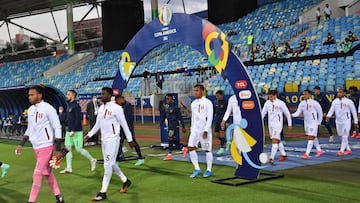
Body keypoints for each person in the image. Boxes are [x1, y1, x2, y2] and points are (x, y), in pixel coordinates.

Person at [15, 85, 65, 203]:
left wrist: (57, 149)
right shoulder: (31, 110)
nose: (29, 97)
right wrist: (21, 143)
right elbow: (30, 129)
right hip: (36, 147)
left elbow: (57, 127)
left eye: (32, 95)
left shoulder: (48, 109)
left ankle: (31, 201)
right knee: (47, 174)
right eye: (29, 95)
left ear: (39, 95)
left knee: (37, 174)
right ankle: (59, 198)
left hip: (46, 146)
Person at [84, 87, 134, 201]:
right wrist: (89, 135)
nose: (102, 96)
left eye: (104, 94)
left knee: (107, 165)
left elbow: (124, 124)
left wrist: (130, 139)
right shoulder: (101, 108)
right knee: (110, 163)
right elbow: (97, 124)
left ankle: (103, 192)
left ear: (110, 95)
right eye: (102, 94)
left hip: (113, 139)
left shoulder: (117, 108)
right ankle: (126, 181)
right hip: (104, 140)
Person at [60, 90, 97, 174]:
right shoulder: (68, 106)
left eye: (68, 94)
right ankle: (69, 168)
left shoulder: (76, 106)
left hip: (76, 131)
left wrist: (73, 130)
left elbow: (78, 119)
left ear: (73, 96)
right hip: (69, 131)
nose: (66, 95)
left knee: (79, 149)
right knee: (67, 149)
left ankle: (92, 160)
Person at [188, 84, 213, 178]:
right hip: (195, 130)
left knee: (207, 150)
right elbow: (193, 118)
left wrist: (206, 130)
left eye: (197, 90)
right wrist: (192, 129)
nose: (195, 92)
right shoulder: (193, 103)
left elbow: (210, 117)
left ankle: (209, 169)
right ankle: (197, 168)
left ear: (202, 91)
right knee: (190, 147)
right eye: (194, 90)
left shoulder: (208, 102)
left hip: (204, 130)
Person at [292, 90, 324, 160]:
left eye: (306, 94)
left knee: (310, 137)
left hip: (313, 123)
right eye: (303, 94)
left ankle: (306, 153)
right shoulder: (302, 103)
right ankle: (319, 150)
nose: (304, 96)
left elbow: (320, 112)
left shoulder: (314, 103)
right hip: (306, 123)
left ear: (310, 95)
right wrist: (291, 115)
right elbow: (297, 113)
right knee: (313, 137)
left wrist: (319, 122)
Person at [262, 90, 292, 164]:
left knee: (274, 141)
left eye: (271, 96)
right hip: (270, 125)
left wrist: (289, 123)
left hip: (278, 124)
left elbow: (287, 113)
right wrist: (259, 121)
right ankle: (284, 154)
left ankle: (271, 158)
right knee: (277, 140)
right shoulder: (267, 103)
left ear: (275, 96)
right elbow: (263, 113)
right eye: (269, 96)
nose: (270, 98)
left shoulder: (280, 103)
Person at [326, 87, 358, 156]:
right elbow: (332, 110)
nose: (339, 93)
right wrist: (328, 116)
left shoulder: (349, 101)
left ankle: (342, 150)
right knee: (341, 135)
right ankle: (348, 149)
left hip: (346, 121)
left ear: (344, 93)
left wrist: (356, 121)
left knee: (345, 135)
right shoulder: (335, 101)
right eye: (338, 92)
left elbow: (354, 112)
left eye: (340, 92)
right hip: (338, 121)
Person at [115, 95, 144, 166]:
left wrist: (123, 123)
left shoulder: (128, 105)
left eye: (117, 101)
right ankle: (118, 159)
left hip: (128, 128)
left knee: (133, 141)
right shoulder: (119, 106)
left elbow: (129, 117)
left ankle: (140, 158)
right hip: (121, 128)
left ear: (120, 99)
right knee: (119, 142)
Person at [160, 95, 186, 160]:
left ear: (171, 99)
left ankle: (169, 154)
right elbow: (164, 116)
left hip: (174, 125)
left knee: (170, 138)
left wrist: (183, 126)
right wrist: (160, 123)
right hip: (170, 125)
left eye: (168, 99)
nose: (167, 100)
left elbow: (180, 117)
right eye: (166, 99)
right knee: (172, 139)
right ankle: (183, 148)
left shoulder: (175, 107)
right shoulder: (167, 107)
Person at [213, 90, 228, 155]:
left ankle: (222, 148)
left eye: (218, 95)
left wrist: (226, 121)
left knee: (222, 133)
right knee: (216, 134)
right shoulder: (215, 102)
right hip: (217, 121)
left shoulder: (225, 102)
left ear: (221, 95)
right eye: (216, 96)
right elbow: (214, 112)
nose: (217, 97)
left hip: (223, 121)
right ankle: (225, 141)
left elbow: (228, 112)